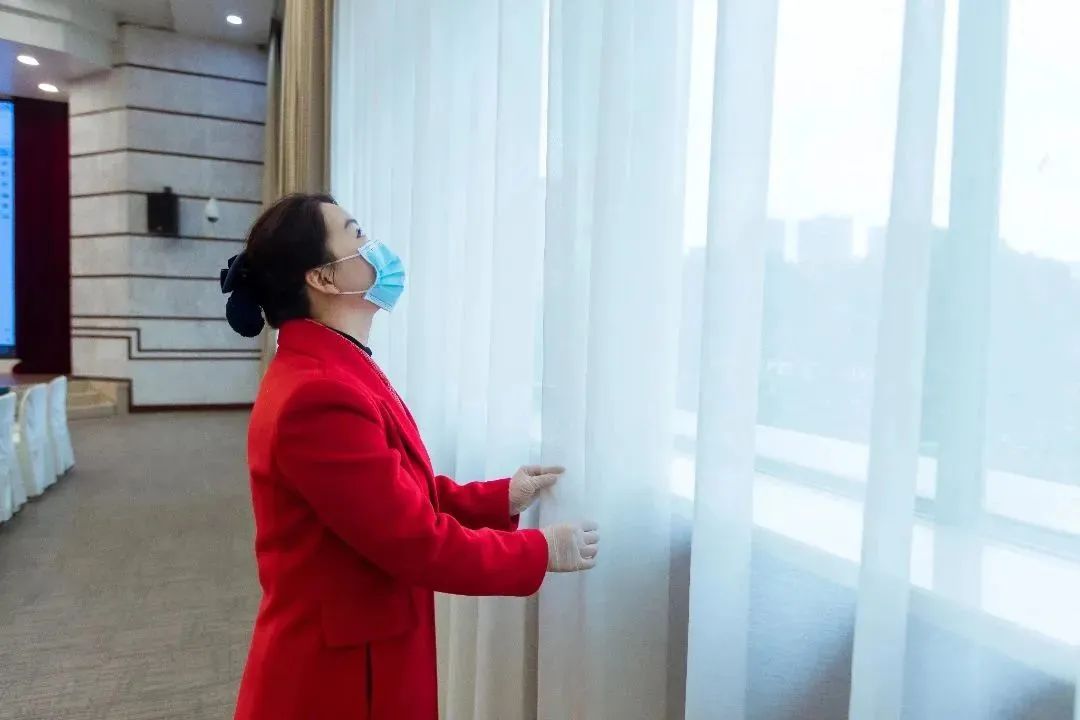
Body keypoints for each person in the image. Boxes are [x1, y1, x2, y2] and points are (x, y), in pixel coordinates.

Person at [222, 193, 598, 720]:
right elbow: (414, 541)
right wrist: (540, 551)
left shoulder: (333, 366)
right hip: (339, 677)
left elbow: (392, 492)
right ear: (324, 278)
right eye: (357, 235)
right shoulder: (319, 393)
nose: (376, 248)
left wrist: (499, 499)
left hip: (362, 651)